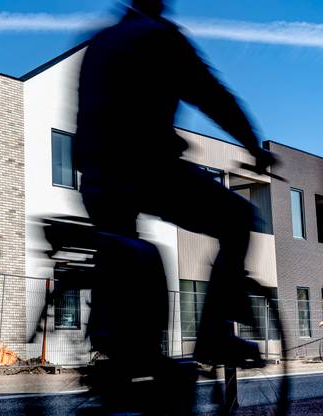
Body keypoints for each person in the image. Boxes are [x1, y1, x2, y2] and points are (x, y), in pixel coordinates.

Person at [75, 0, 277, 367]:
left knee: (124, 252)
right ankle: (215, 335)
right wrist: (253, 144)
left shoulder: (101, 42)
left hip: (95, 177)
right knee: (238, 218)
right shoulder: (161, 38)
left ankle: (132, 362)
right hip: (147, 168)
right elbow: (212, 95)